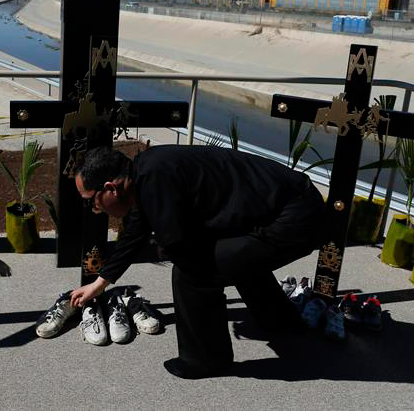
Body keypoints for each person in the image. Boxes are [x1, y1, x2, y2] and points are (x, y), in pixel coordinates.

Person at [70, 144, 325, 379]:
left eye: (91, 200)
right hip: (296, 206)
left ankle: (206, 359)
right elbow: (136, 231)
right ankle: (282, 323)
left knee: (192, 272)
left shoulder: (153, 177)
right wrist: (99, 284)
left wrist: (178, 252)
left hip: (295, 219)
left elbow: (177, 242)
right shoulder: (148, 170)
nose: (94, 209)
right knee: (235, 256)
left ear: (111, 188)